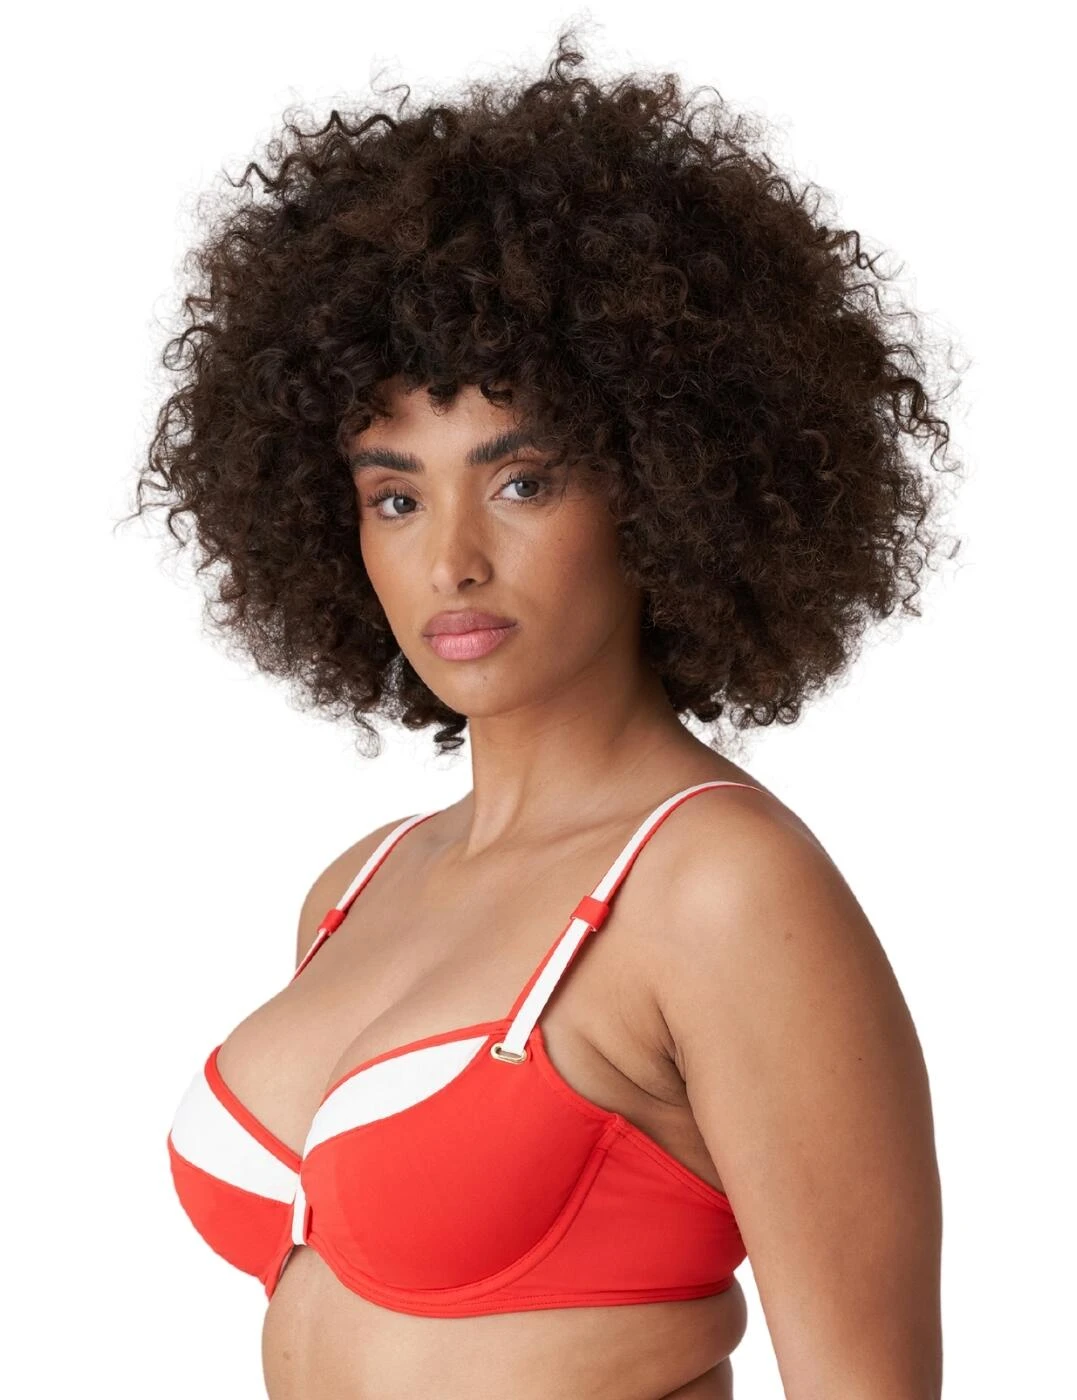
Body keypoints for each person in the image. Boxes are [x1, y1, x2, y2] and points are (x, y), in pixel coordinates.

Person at [133, 26, 959, 1400]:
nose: (452, 559)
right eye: (396, 496)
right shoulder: (356, 888)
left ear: (664, 484)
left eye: (522, 482)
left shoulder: (719, 887)